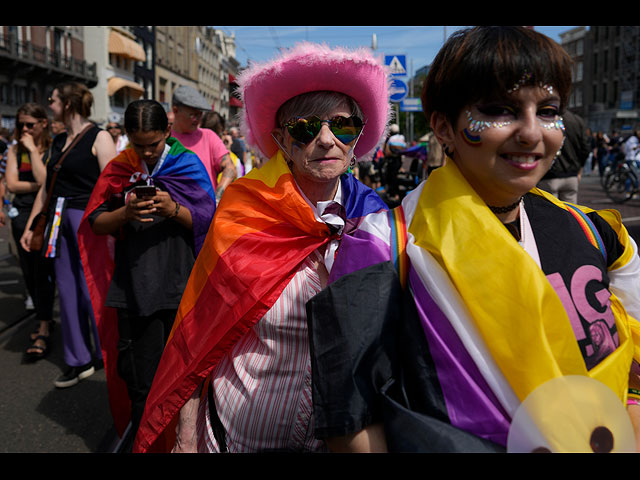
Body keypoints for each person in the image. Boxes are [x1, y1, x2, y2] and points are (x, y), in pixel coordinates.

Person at [305, 26, 640, 453]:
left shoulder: (594, 231)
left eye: (549, 110)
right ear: (443, 127)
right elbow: (351, 425)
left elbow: (629, 373)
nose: (533, 133)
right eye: (501, 109)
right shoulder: (379, 246)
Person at [133, 41, 391, 454]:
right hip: (237, 434)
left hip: (331, 440)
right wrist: (186, 436)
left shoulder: (377, 221)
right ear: (280, 140)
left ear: (357, 136)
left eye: (341, 126)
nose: (326, 141)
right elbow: (200, 334)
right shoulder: (243, 211)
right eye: (306, 128)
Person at [78, 99, 216, 451]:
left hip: (179, 285)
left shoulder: (187, 164)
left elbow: (208, 220)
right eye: (138, 145)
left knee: (183, 377)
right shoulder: (119, 168)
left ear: (168, 133)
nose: (147, 153)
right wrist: (124, 213)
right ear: (127, 137)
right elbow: (95, 223)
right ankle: (145, 443)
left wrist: (173, 209)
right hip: (134, 287)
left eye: (153, 144)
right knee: (140, 380)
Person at [20, 81, 116, 388]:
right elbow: (48, 188)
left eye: (54, 99)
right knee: (67, 287)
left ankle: (106, 351)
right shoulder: (59, 139)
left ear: (69, 104)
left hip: (87, 218)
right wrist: (31, 224)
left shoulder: (99, 136)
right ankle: (78, 359)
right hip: (58, 218)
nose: (50, 103)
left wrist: (112, 225)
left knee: (93, 286)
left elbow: (112, 186)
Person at [5, 103, 57, 360]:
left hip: (45, 214)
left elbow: (46, 180)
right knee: (29, 271)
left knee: (44, 270)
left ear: (43, 123)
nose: (24, 129)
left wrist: (34, 155)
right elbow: (12, 183)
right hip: (21, 214)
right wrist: (39, 183)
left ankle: (45, 324)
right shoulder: (15, 149)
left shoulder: (52, 147)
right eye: (20, 124)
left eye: (29, 124)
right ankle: (41, 316)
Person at [170, 85, 236, 203]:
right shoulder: (164, 138)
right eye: (193, 115)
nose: (198, 119)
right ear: (175, 110)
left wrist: (216, 199)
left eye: (200, 114)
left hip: (204, 213)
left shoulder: (208, 136)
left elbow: (230, 168)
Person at [537, 109, 591, 203]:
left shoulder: (545, 117)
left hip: (550, 175)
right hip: (571, 175)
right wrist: (579, 170)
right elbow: (585, 148)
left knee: (550, 213)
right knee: (570, 213)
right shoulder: (576, 120)